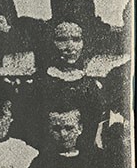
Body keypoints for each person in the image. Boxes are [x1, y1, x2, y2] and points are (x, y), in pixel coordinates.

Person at [17, 22, 104, 150]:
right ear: (51, 42)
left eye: (76, 39)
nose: (70, 47)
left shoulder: (91, 86)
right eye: (62, 40)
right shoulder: (37, 83)